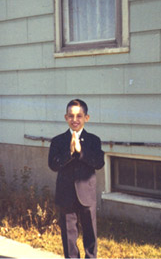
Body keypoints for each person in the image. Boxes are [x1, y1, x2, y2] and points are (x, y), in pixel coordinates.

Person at [48, 99, 105, 258]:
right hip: (66, 195)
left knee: (90, 234)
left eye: (79, 116)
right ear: (66, 117)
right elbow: (53, 165)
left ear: (86, 118)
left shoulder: (94, 140)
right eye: (71, 116)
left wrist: (81, 152)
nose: (75, 120)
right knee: (69, 236)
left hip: (86, 195)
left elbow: (99, 162)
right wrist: (70, 152)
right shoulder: (58, 141)